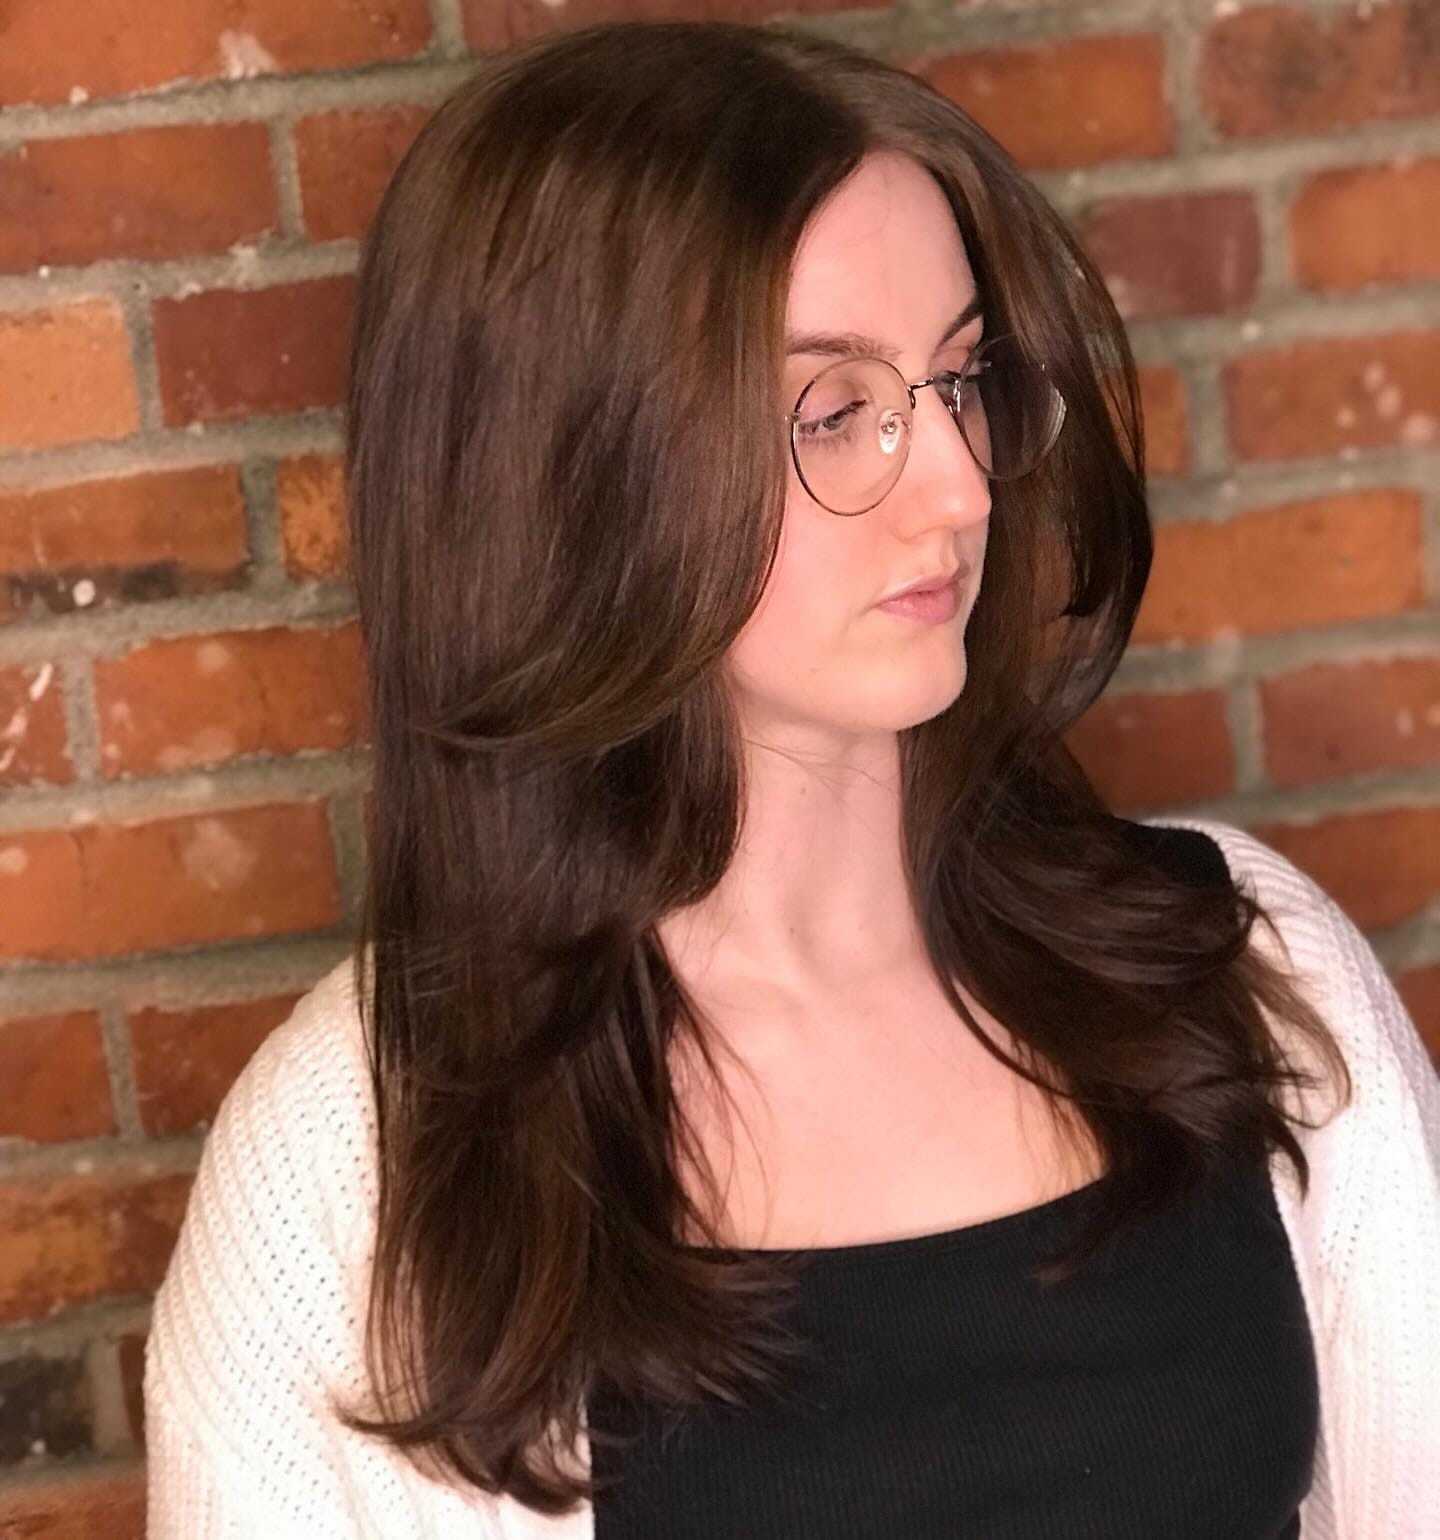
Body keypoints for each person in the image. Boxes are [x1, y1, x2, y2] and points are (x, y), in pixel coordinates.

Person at [143, 19, 1440, 1539]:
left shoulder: (1246, 965)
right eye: (835, 412)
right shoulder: (352, 1173)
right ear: (576, 473)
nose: (958, 488)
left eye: (959, 381)